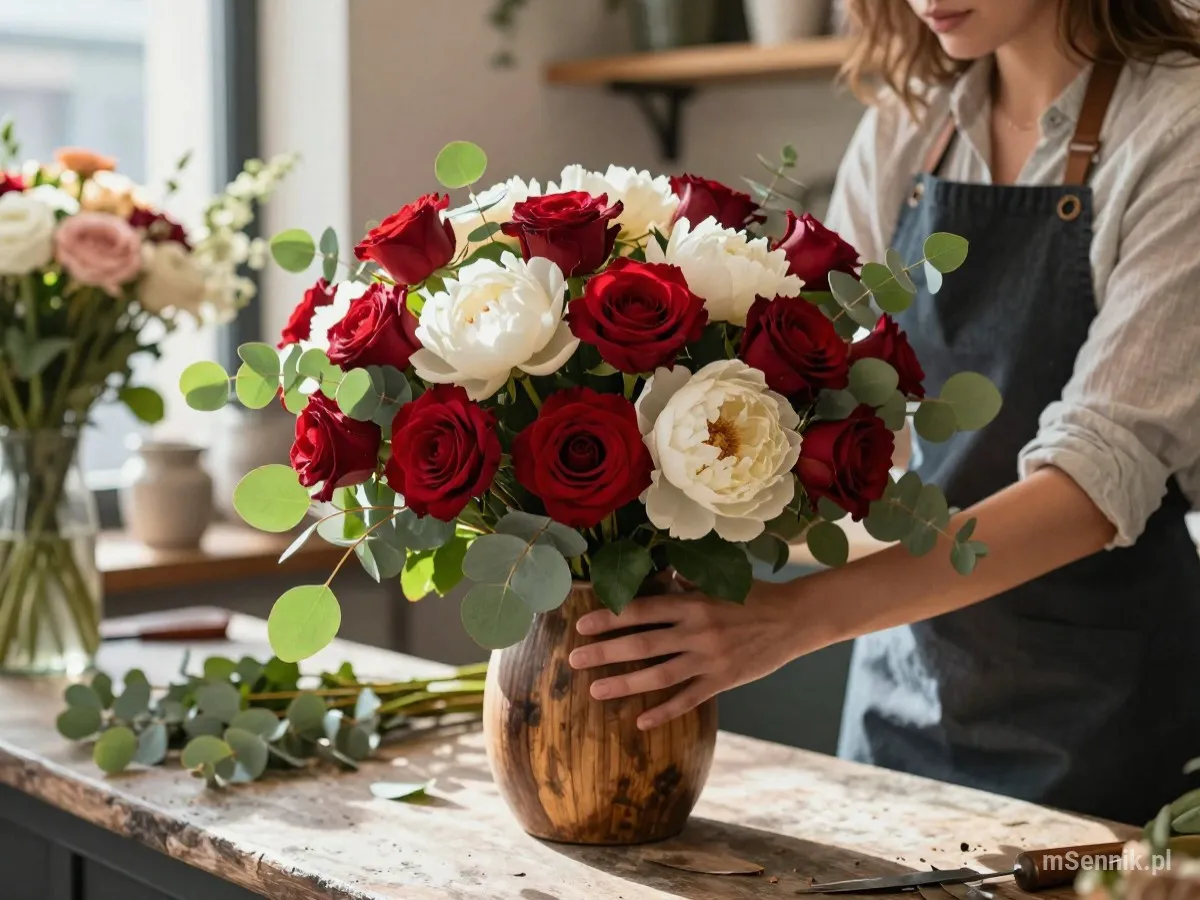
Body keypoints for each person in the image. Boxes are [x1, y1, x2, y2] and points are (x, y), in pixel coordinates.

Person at [568, 0, 1200, 825]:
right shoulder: (912, 120)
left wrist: (794, 618)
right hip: (902, 691)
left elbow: (1093, 481)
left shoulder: (1178, 123)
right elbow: (823, 391)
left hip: (1107, 724)